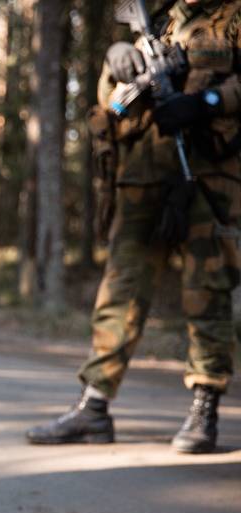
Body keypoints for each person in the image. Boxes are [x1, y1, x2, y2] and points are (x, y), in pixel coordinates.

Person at [28, 0, 241, 454]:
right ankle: (94, 406)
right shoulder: (158, 21)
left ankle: (205, 407)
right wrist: (115, 63)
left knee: (208, 290)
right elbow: (111, 107)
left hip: (209, 177)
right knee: (119, 291)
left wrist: (206, 101)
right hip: (142, 178)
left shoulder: (234, 18)